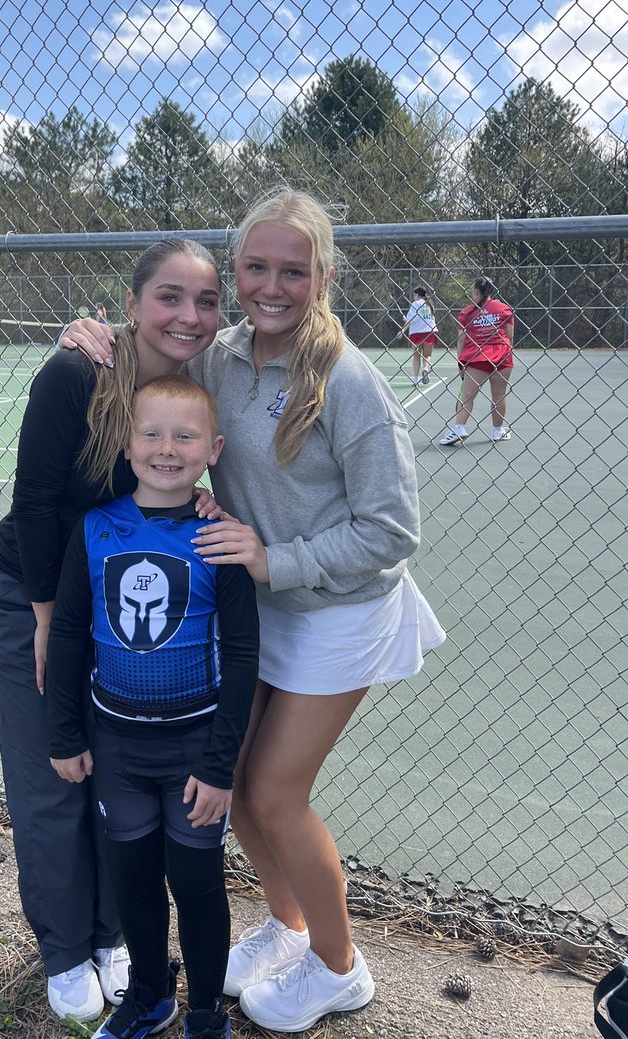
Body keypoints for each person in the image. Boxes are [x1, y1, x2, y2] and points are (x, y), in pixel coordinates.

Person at [62, 187, 446, 1032]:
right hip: (259, 609)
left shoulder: (350, 382)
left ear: (324, 276)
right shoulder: (222, 358)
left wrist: (276, 560)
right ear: (237, 271)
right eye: (256, 268)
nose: (272, 287)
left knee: (272, 794)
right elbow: (153, 367)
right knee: (230, 783)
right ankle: (288, 924)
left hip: (339, 611)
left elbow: (392, 529)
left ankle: (341, 967)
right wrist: (96, 339)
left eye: (293, 271)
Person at [0, 238, 224, 1023]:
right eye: (169, 297)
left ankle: (113, 934)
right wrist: (51, 620)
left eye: (205, 301)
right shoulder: (77, 372)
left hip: (123, 608)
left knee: (114, 769)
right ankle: (63, 947)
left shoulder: (200, 381)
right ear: (131, 304)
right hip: (33, 594)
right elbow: (37, 501)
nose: (188, 316)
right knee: (54, 769)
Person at [47, 375, 259, 1039]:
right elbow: (71, 633)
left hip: (194, 751)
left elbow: (246, 657)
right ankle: (148, 996)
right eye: (152, 434)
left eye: (185, 436)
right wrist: (64, 733)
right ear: (128, 443)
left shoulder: (218, 539)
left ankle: (203, 1013)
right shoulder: (96, 528)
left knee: (197, 886)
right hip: (116, 748)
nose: (167, 449)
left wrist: (222, 766)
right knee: (133, 879)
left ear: (213, 449)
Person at [439, 276, 515, 446]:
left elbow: (461, 340)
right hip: (502, 354)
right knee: (499, 394)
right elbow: (510, 336)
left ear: (476, 292)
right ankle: (497, 431)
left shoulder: (466, 312)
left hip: (477, 357)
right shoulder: (504, 309)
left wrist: (461, 362)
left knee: (467, 395)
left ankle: (459, 428)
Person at [398, 286, 437, 385]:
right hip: (430, 332)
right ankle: (426, 369)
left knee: (416, 355)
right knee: (427, 355)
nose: (413, 297)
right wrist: (407, 320)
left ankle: (416, 379)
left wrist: (402, 330)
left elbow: (411, 320)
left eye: (414, 295)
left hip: (417, 333)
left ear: (417, 295)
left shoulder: (415, 304)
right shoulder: (430, 304)